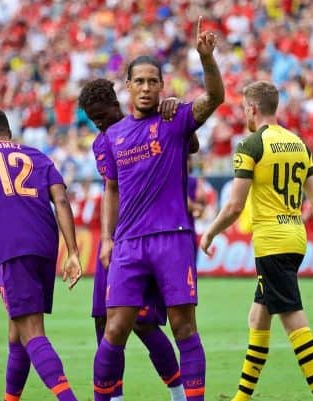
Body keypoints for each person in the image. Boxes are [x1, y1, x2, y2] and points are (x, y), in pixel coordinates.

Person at [93, 16, 224, 401]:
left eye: (154, 81)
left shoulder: (175, 119)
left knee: (184, 327)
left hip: (173, 238)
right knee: (115, 328)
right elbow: (111, 190)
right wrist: (105, 239)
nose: (147, 87)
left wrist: (206, 60)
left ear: (162, 85)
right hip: (128, 244)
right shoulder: (113, 136)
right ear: (128, 86)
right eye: (140, 81)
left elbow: (215, 98)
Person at [200, 80, 313, 401]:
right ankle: (241, 397)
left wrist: (210, 231)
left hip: (271, 242)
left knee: (293, 319)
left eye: (243, 108)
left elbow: (235, 205)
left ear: (251, 108)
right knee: (257, 316)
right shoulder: (298, 144)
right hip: (296, 238)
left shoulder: (251, 145)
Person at [78, 78, 192, 401]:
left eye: (102, 115)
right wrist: (106, 238)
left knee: (142, 322)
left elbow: (191, 144)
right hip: (118, 241)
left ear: (117, 104)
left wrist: (169, 108)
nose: (99, 123)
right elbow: (110, 190)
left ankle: (179, 393)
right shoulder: (102, 143)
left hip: (155, 236)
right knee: (105, 323)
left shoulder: (153, 120)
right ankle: (114, 397)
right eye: (93, 119)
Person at [0, 109, 83, 401]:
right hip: (45, 245)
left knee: (31, 332)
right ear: (9, 133)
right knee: (17, 335)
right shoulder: (38, 156)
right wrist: (74, 251)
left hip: (13, 249)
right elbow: (62, 200)